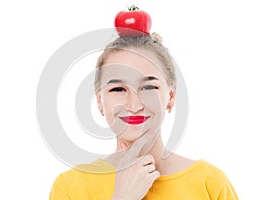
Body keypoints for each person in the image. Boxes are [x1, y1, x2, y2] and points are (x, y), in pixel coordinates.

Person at [49, 33, 239, 199]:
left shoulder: (210, 183)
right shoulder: (70, 187)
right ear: (100, 102)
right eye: (118, 89)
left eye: (148, 87)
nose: (135, 105)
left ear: (171, 97)